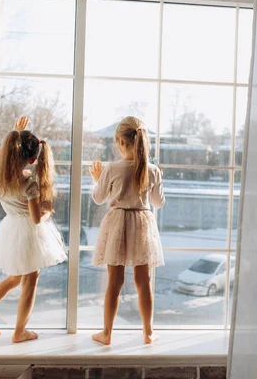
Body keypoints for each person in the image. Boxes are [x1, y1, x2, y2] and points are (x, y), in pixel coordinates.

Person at [0, 116, 67, 343]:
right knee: (30, 281)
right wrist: (48, 212)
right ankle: (19, 331)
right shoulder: (29, 184)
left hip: (11, 228)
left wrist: (16, 132)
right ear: (33, 158)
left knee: (14, 278)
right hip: (27, 232)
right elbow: (36, 219)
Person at [89, 116, 165, 345]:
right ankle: (148, 333)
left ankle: (107, 333)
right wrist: (157, 181)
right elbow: (158, 202)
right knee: (143, 282)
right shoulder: (152, 170)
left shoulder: (112, 169)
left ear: (120, 141)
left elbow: (98, 198)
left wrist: (97, 179)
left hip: (118, 223)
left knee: (115, 281)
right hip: (142, 222)